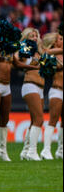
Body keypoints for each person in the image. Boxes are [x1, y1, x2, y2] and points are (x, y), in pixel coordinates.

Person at [0, 24, 38, 162]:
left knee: (5, 119)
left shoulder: (10, 48)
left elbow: (17, 64)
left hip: (7, 86)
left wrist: (33, 66)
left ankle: (2, 150)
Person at [15, 28, 45, 161]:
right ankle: (32, 152)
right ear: (26, 37)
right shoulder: (24, 50)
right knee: (40, 119)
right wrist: (31, 67)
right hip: (30, 85)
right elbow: (15, 60)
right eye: (31, 35)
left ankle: (26, 151)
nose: (34, 37)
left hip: (40, 88)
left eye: (36, 35)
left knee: (34, 121)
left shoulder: (40, 52)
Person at [41, 32, 63, 160]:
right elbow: (45, 52)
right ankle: (46, 150)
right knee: (53, 120)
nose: (62, 40)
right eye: (60, 39)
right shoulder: (51, 54)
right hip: (56, 90)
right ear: (55, 42)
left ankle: (60, 150)